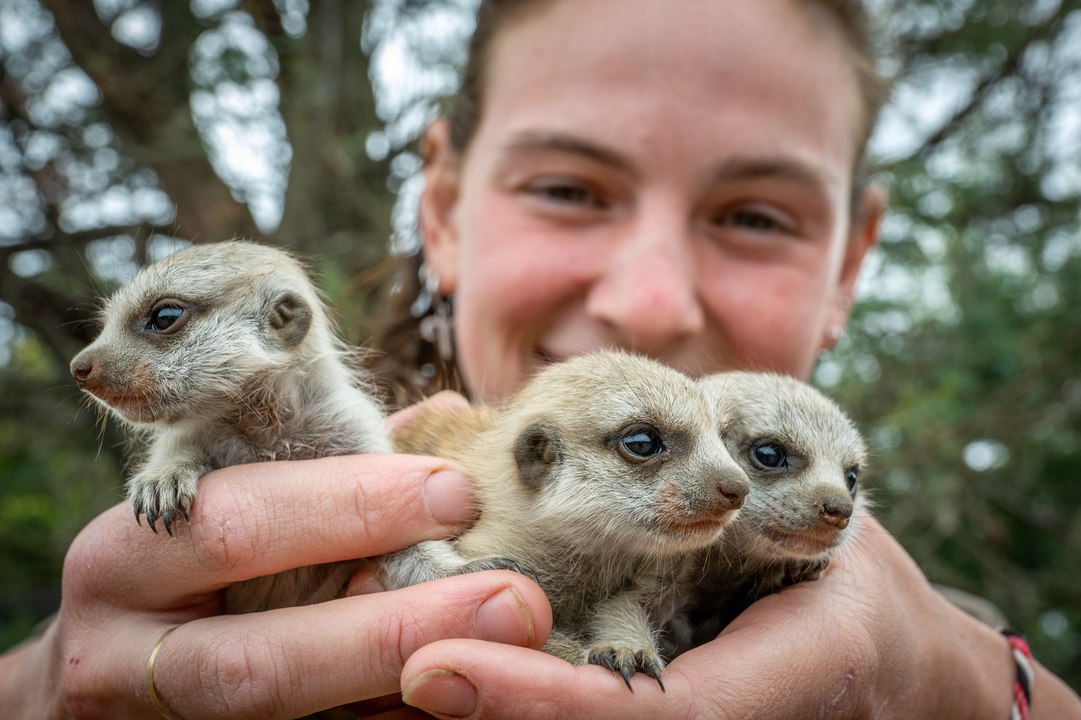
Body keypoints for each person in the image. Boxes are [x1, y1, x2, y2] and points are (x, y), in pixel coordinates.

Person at [2, 0, 1079, 717]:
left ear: (850, 265)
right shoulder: (285, 488)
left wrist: (967, 682)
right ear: (441, 206)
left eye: (756, 215)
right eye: (567, 188)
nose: (644, 302)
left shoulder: (931, 636)